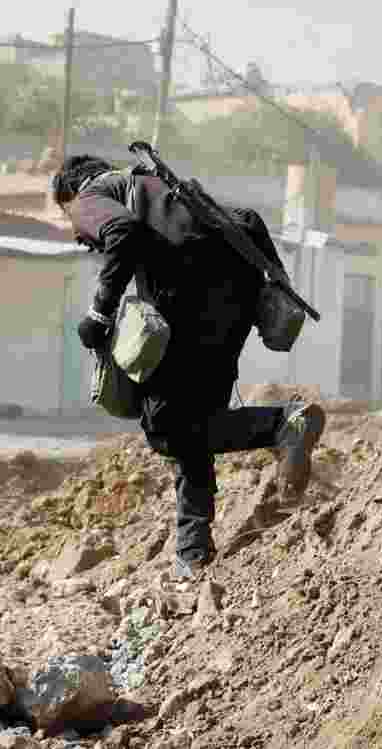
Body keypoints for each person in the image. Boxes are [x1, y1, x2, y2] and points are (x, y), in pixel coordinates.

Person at [54, 155, 326, 579]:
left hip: (185, 286)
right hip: (235, 289)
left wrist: (99, 315)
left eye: (73, 224)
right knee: (196, 423)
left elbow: (121, 232)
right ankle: (193, 552)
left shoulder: (89, 196)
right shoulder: (158, 186)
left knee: (167, 427)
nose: (80, 237)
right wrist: (275, 288)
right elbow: (247, 219)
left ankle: (282, 425)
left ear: (70, 195)